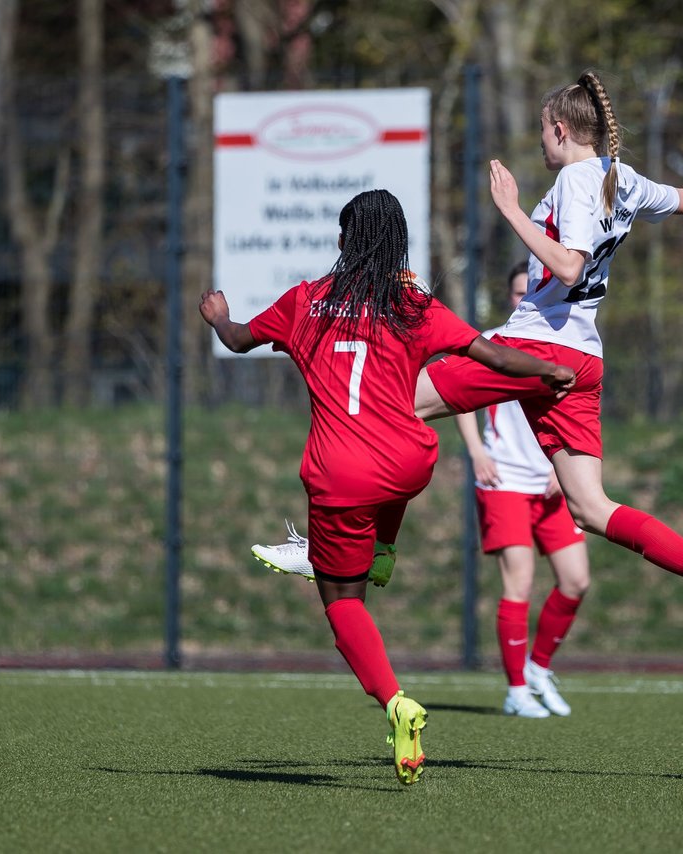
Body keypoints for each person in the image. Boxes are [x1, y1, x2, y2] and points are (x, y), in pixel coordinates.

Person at [259, 71, 683, 654]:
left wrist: (511, 210)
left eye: (542, 134)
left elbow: (571, 266)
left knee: (386, 407)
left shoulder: (579, 181)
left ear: (560, 130)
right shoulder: (620, 178)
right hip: (582, 357)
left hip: (534, 348)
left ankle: (357, 548)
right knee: (592, 508)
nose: (540, 144)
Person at [201, 189, 575, 785]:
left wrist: (218, 314)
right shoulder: (412, 304)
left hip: (339, 475)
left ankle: (396, 702)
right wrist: (551, 370)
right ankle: (383, 549)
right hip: (408, 461)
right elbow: (492, 354)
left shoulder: (305, 300)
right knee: (381, 500)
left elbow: (239, 339)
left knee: (343, 603)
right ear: (397, 243)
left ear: (346, 241)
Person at [454, 261, 588, 718]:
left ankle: (538, 668)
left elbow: (576, 413)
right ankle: (515, 690)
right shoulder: (492, 343)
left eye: (529, 289)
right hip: (505, 481)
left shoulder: (567, 343)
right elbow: (455, 394)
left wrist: (565, 463)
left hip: (552, 484)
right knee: (520, 583)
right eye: (516, 292)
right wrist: (476, 451)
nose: (523, 297)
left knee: (576, 581)